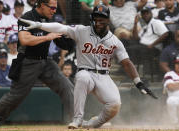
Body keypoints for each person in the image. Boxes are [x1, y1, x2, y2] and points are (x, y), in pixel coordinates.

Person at [19, 5, 157, 129]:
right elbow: (61, 27)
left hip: (104, 76)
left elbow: (126, 62)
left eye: (101, 19)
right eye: (96, 18)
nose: (98, 22)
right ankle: (77, 118)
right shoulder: (81, 31)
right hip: (86, 72)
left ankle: (92, 124)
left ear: (108, 20)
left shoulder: (115, 41)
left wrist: (138, 83)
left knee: (115, 105)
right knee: (83, 77)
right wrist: (38, 24)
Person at [0, 0, 74, 128]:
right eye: (52, 8)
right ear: (42, 5)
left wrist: (69, 39)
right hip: (27, 61)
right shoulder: (27, 18)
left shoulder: (49, 19)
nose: (54, 11)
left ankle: (77, 118)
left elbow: (61, 41)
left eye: (55, 9)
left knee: (67, 86)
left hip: (46, 61)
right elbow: (24, 39)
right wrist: (47, 37)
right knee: (16, 95)